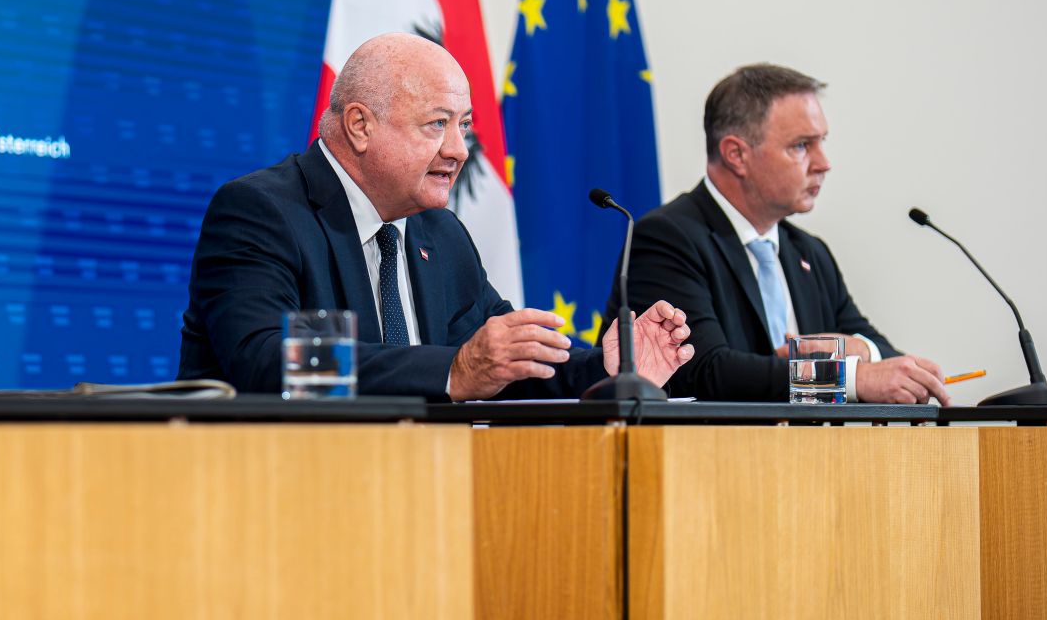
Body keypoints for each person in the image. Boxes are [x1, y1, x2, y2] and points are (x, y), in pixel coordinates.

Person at [179, 32, 693, 399]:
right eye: (437, 124)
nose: (460, 150)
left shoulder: (440, 234)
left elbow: (503, 364)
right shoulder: (262, 211)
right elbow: (271, 361)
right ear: (360, 125)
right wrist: (454, 367)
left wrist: (609, 367)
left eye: (464, 126)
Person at [602, 63, 947, 404]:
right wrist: (848, 379)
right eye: (801, 146)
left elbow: (885, 357)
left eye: (821, 142)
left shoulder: (808, 253)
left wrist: (863, 351)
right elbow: (705, 371)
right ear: (736, 154)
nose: (823, 162)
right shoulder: (667, 238)